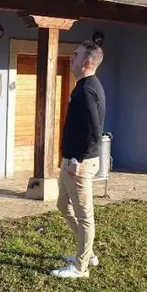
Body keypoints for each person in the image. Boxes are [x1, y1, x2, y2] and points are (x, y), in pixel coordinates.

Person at [51, 41, 106, 279]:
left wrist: (77, 159)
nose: (70, 59)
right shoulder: (83, 86)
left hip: (79, 163)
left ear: (87, 63)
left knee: (85, 216)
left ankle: (81, 266)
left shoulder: (86, 90)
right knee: (63, 204)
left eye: (75, 56)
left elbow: (95, 132)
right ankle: (87, 250)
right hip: (71, 160)